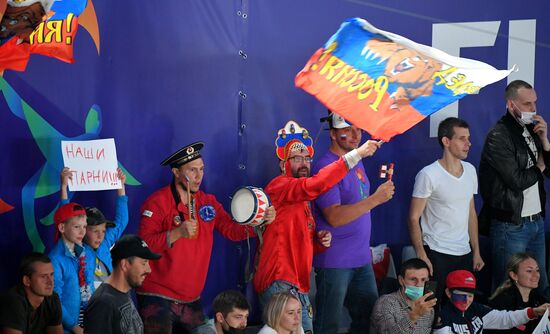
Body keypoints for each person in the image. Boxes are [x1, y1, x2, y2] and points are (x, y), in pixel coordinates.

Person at [253, 120, 386, 333]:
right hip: (279, 281)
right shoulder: (280, 186)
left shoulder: (304, 199)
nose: (304, 163)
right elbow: (316, 185)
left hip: (299, 283)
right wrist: (356, 155)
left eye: (307, 158)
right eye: (297, 159)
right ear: (282, 164)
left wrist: (319, 241)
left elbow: (298, 241)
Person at [137, 142, 276, 334]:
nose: (198, 176)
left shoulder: (207, 202)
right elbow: (143, 247)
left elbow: (232, 230)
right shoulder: (157, 202)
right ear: (176, 172)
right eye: (192, 170)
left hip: (191, 298)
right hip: (157, 294)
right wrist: (176, 233)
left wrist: (260, 222)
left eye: (201, 169)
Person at [312, 111, 394, 334]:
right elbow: (334, 217)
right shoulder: (325, 167)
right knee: (326, 326)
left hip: (361, 259)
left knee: (369, 323)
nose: (356, 134)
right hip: (335, 262)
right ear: (332, 133)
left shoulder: (357, 162)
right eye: (347, 129)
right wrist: (375, 199)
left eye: (359, 128)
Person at [479, 80, 550, 294]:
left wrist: (545, 141)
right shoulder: (498, 136)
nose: (533, 109)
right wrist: (539, 166)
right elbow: (517, 181)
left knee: (541, 287)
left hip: (536, 222)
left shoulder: (532, 129)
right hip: (511, 225)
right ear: (511, 105)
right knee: (507, 291)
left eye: (535, 103)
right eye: (527, 104)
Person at [409, 117, 484, 304]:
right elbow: (413, 217)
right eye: (462, 138)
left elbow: (471, 213)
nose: (468, 143)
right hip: (436, 252)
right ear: (446, 141)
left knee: (461, 307)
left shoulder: (470, 170)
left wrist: (476, 251)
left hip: (464, 253)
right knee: (433, 307)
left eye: (468, 138)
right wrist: (421, 254)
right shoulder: (428, 174)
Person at [60, 167, 129, 290]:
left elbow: (122, 221)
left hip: (108, 300)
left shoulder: (105, 242)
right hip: (87, 304)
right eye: (95, 231)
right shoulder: (75, 247)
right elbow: (67, 221)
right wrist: (64, 187)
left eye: (103, 231)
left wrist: (121, 186)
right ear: (83, 230)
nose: (100, 236)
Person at [83, 235, 161, 334]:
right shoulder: (103, 303)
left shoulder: (123, 292)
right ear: (124, 265)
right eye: (144, 263)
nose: (149, 270)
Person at [434, 270, 550, 333]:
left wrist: (533, 312)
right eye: (461, 296)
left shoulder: (476, 309)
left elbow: (505, 318)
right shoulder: (442, 319)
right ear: (449, 293)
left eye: (470, 295)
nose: (466, 301)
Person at [49, 202, 93, 334]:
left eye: (84, 227)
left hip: (87, 322)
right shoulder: (55, 259)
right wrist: (74, 327)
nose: (82, 231)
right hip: (69, 328)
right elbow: (55, 300)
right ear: (62, 227)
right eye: (77, 227)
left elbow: (89, 286)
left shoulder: (85, 252)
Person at [0, 252, 63, 334]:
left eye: (51, 275)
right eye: (43, 276)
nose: (50, 282)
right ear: (27, 280)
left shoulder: (53, 299)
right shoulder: (13, 301)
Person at [370, 258, 436, 334]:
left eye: (423, 280)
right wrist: (414, 316)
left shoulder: (428, 309)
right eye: (413, 279)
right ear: (401, 280)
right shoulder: (385, 303)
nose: (419, 284)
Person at [487, 253, 548, 333]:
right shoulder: (502, 302)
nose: (536, 275)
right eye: (529, 271)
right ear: (514, 275)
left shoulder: (538, 299)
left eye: (537, 270)